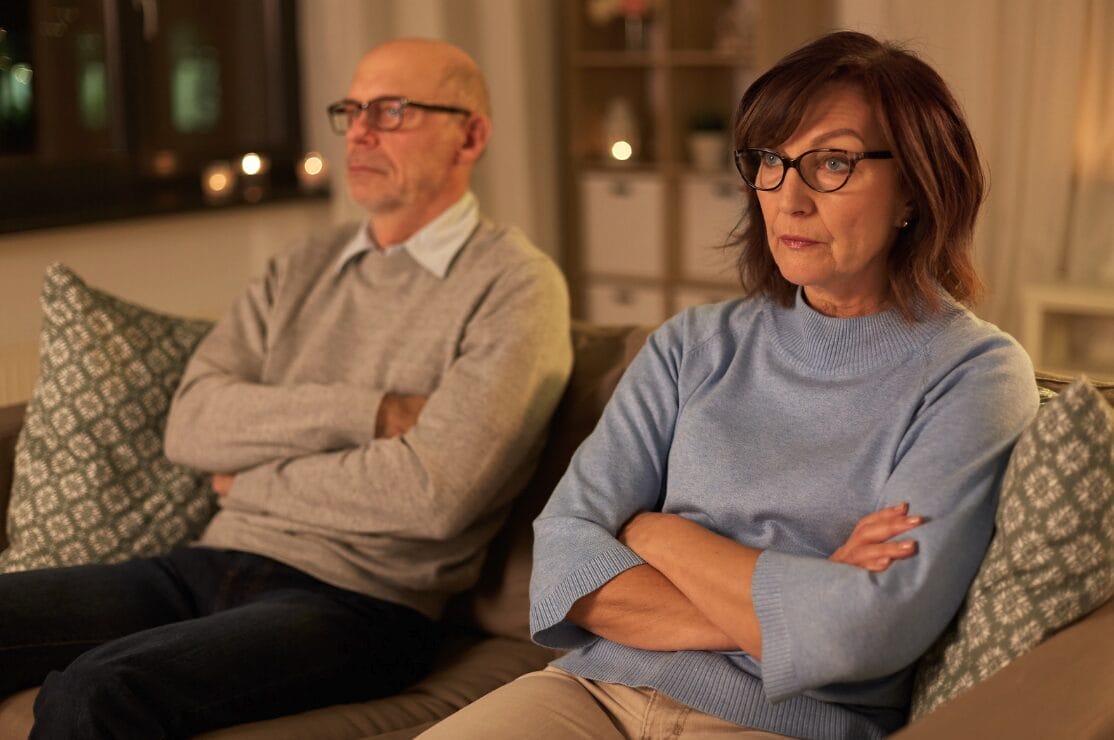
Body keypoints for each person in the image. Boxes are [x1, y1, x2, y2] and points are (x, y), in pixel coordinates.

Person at [421, 31, 1038, 740]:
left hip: (786, 724)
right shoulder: (691, 344)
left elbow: (866, 636)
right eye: (771, 161)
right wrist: (795, 611)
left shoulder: (975, 375)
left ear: (916, 190)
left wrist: (656, 532)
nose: (789, 198)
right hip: (590, 693)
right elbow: (562, 559)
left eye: (832, 162)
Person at [0, 38, 571, 737]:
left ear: (470, 136)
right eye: (351, 109)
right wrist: (373, 412)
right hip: (204, 564)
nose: (358, 132)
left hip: (359, 602)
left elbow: (433, 499)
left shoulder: (516, 286)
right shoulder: (301, 265)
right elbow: (192, 426)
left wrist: (249, 481)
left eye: (391, 111)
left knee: (94, 692)